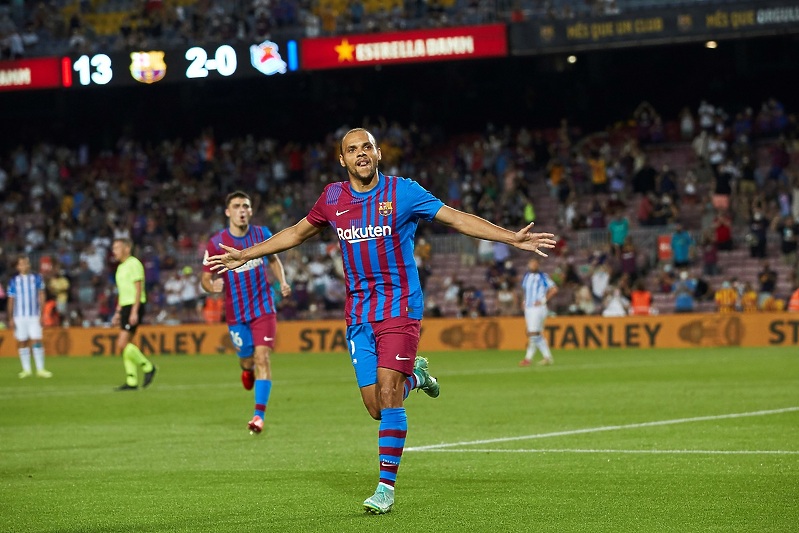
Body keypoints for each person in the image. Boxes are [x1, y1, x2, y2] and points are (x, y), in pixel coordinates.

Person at [207, 128, 556, 515]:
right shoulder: (333, 197)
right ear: (342, 160)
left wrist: (510, 238)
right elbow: (297, 232)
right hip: (358, 314)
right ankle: (418, 377)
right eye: (352, 149)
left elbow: (456, 219)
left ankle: (385, 488)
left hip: (400, 307)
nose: (361, 154)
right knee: (375, 406)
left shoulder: (403, 192)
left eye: (367, 147)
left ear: (377, 154)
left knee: (389, 393)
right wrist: (245, 254)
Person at [201, 191, 292, 435]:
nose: (242, 210)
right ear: (228, 212)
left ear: (251, 211)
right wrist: (212, 287)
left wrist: (282, 281)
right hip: (236, 313)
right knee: (248, 360)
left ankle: (258, 416)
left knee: (263, 358)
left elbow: (273, 259)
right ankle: (246, 369)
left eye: (246, 206)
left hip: (263, 308)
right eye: (237, 206)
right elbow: (205, 278)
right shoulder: (216, 242)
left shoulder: (261, 235)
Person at [111, 238, 157, 391]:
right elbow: (122, 292)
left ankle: (148, 366)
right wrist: (118, 312)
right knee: (126, 346)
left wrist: (135, 311)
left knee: (121, 344)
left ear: (127, 248)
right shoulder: (120, 268)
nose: (114, 251)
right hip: (125, 306)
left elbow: (138, 289)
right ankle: (131, 381)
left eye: (117, 247)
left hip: (133, 306)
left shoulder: (134, 263)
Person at [7, 256, 52, 378]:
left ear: (29, 265)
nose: (24, 266)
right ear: (17, 267)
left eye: (26, 263)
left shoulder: (36, 278)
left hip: (34, 315)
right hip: (19, 316)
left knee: (36, 340)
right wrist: (10, 317)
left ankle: (40, 369)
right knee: (23, 341)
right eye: (21, 264)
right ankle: (26, 370)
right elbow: (11, 299)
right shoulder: (13, 281)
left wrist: (42, 313)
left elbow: (42, 295)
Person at [519, 258, 558, 366]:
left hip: (538, 308)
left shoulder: (542, 276)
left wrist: (543, 300)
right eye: (531, 263)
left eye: (535, 263)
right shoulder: (526, 276)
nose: (533, 265)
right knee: (534, 333)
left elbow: (554, 289)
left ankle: (528, 358)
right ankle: (547, 357)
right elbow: (525, 291)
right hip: (528, 308)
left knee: (533, 333)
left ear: (538, 265)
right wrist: (524, 301)